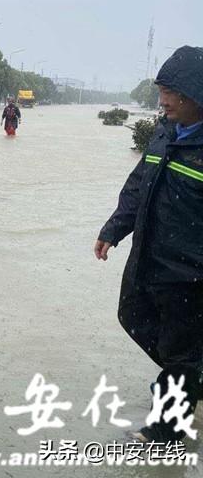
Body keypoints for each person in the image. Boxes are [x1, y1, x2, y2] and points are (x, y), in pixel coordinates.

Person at [95, 46, 203, 444]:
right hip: (149, 260)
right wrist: (113, 229)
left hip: (190, 274)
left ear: (194, 95)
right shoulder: (164, 134)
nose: (162, 101)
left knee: (180, 350)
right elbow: (139, 187)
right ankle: (191, 375)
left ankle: (168, 429)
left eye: (169, 93)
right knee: (133, 317)